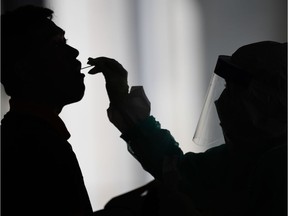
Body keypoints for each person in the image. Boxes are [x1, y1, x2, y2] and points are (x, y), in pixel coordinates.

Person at [88, 41, 287, 215]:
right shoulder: (239, 159)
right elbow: (174, 169)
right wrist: (122, 99)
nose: (221, 100)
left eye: (232, 90)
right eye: (225, 87)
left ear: (267, 101)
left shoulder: (279, 166)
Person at [1, 5, 93, 215]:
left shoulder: (24, 135)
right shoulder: (35, 147)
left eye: (66, 42)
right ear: (24, 70)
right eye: (57, 45)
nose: (74, 52)